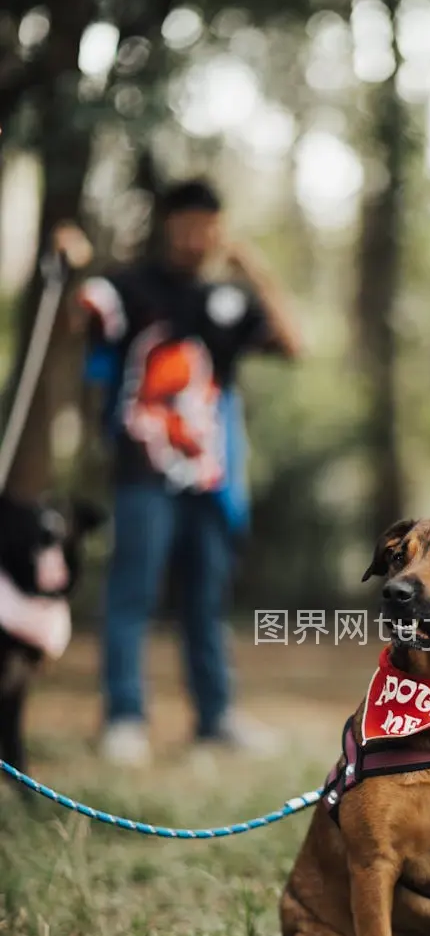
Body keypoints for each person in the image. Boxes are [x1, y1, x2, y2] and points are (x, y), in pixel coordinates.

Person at [53, 179, 303, 766]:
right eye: (187, 223)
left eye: (208, 224)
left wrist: (255, 269)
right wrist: (63, 265)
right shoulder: (128, 286)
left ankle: (215, 719)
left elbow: (295, 344)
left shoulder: (229, 299)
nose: (198, 236)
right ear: (168, 224)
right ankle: (124, 718)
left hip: (211, 478)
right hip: (142, 470)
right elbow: (72, 322)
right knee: (131, 591)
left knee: (205, 601)